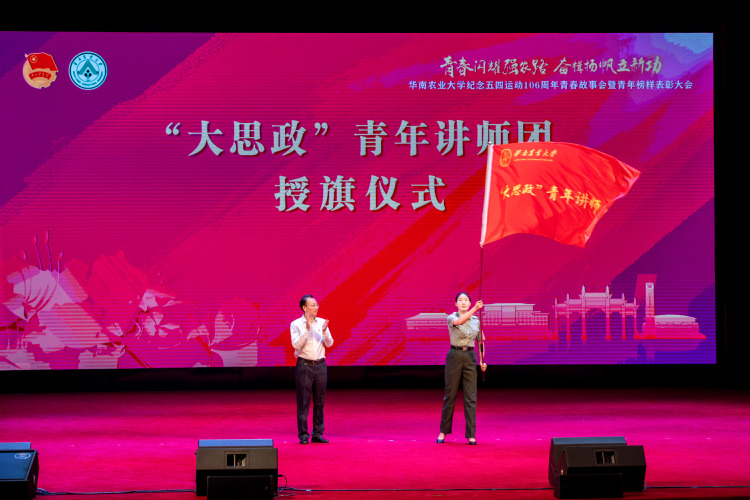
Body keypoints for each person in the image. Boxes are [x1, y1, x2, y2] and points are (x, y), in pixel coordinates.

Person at [437, 292, 486, 445]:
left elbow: (480, 342)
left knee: (471, 396)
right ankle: (443, 431)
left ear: (470, 303)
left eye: (466, 300)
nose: (463, 302)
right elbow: (459, 321)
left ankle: (471, 434)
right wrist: (475, 309)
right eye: (460, 300)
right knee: (450, 395)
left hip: (470, 356)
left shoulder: (476, 320)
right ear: (456, 304)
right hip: (455, 355)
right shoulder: (451, 317)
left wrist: (482, 361)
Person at [290, 294, 334, 444]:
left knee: (319, 402)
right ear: (304, 307)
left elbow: (329, 344)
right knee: (303, 402)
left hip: (320, 365)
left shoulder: (322, 322)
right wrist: (307, 330)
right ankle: (303, 435)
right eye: (313, 305)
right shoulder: (296, 324)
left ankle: (318, 433)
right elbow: (296, 345)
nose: (316, 307)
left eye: (317, 304)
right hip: (304, 366)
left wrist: (324, 331)